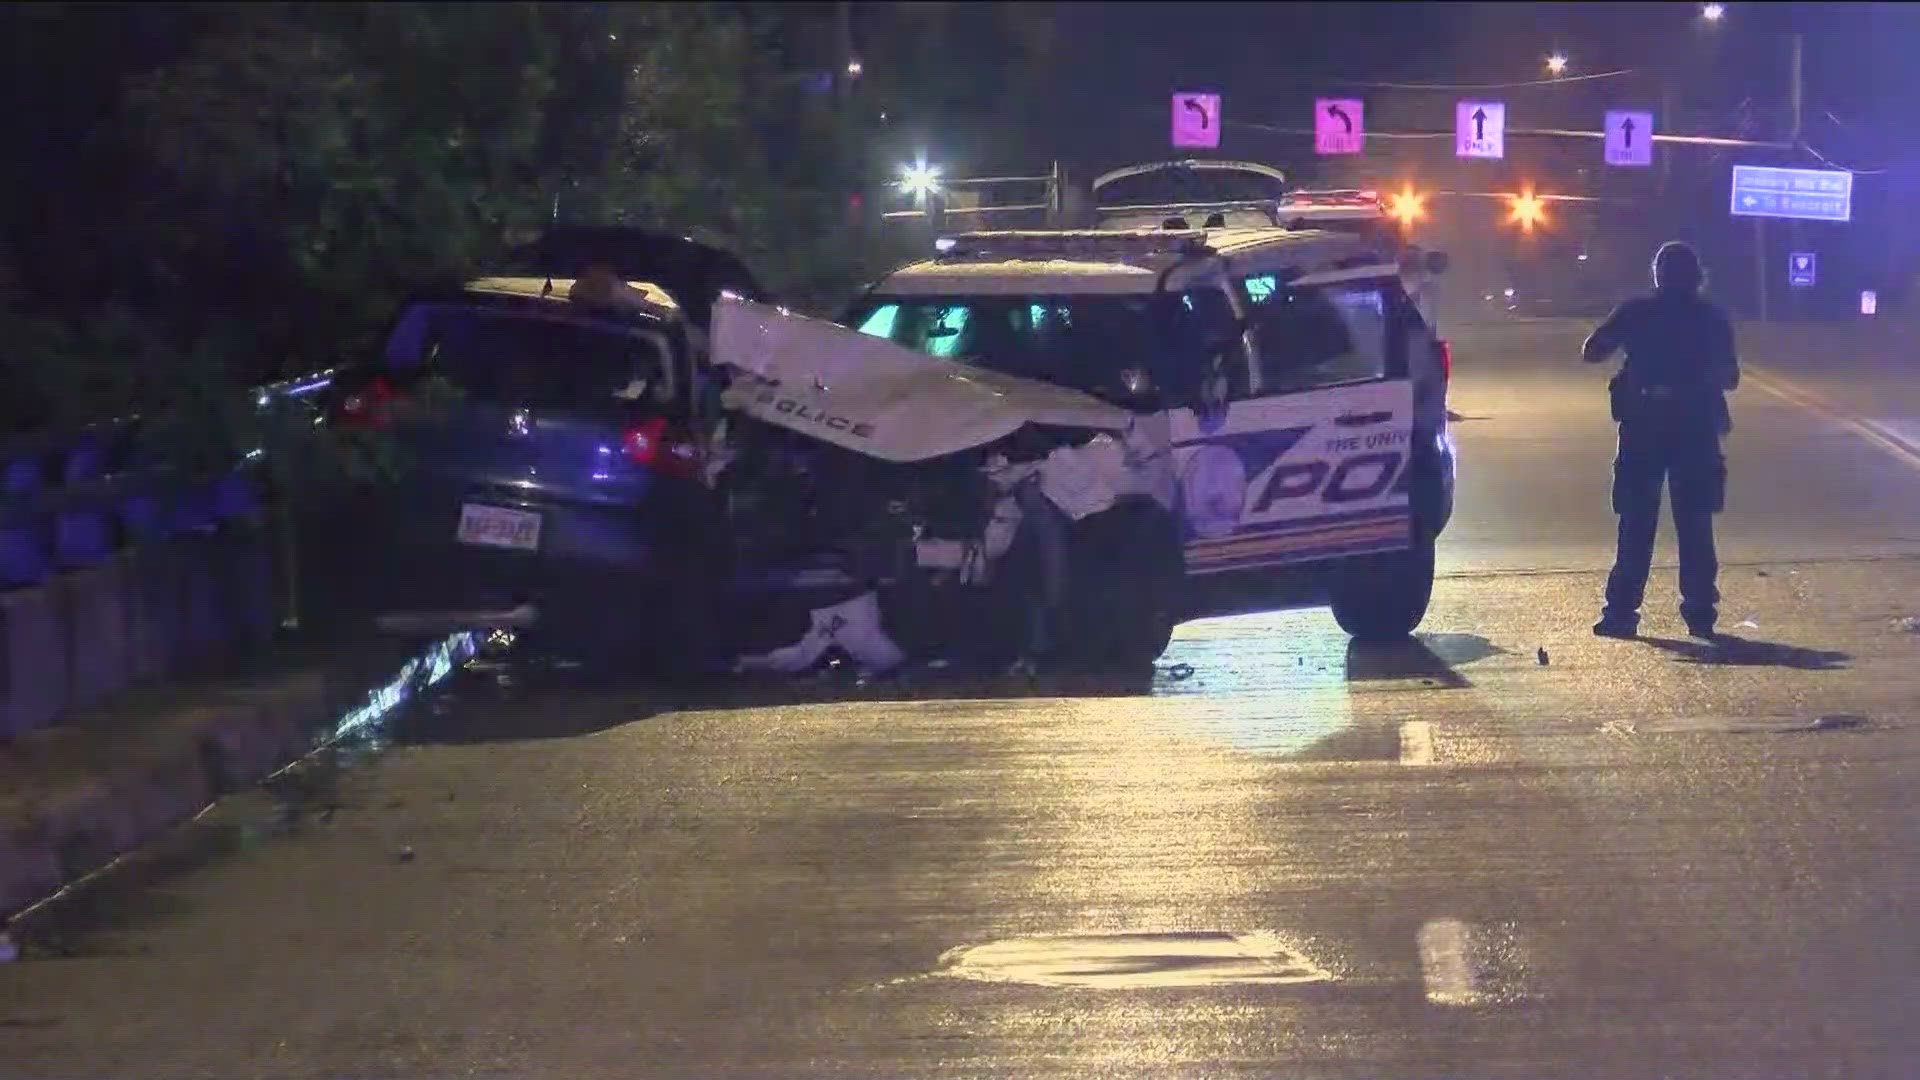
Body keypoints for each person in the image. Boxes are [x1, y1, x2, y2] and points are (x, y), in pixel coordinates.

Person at [1582, 241, 1739, 639]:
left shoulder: (1637, 312)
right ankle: (1700, 612)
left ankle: (1621, 612)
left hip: (1644, 428)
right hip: (1695, 429)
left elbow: (1593, 351)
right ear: (1697, 275)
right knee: (1695, 524)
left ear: (1658, 275)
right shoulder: (1711, 318)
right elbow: (1730, 377)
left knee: (1636, 523)